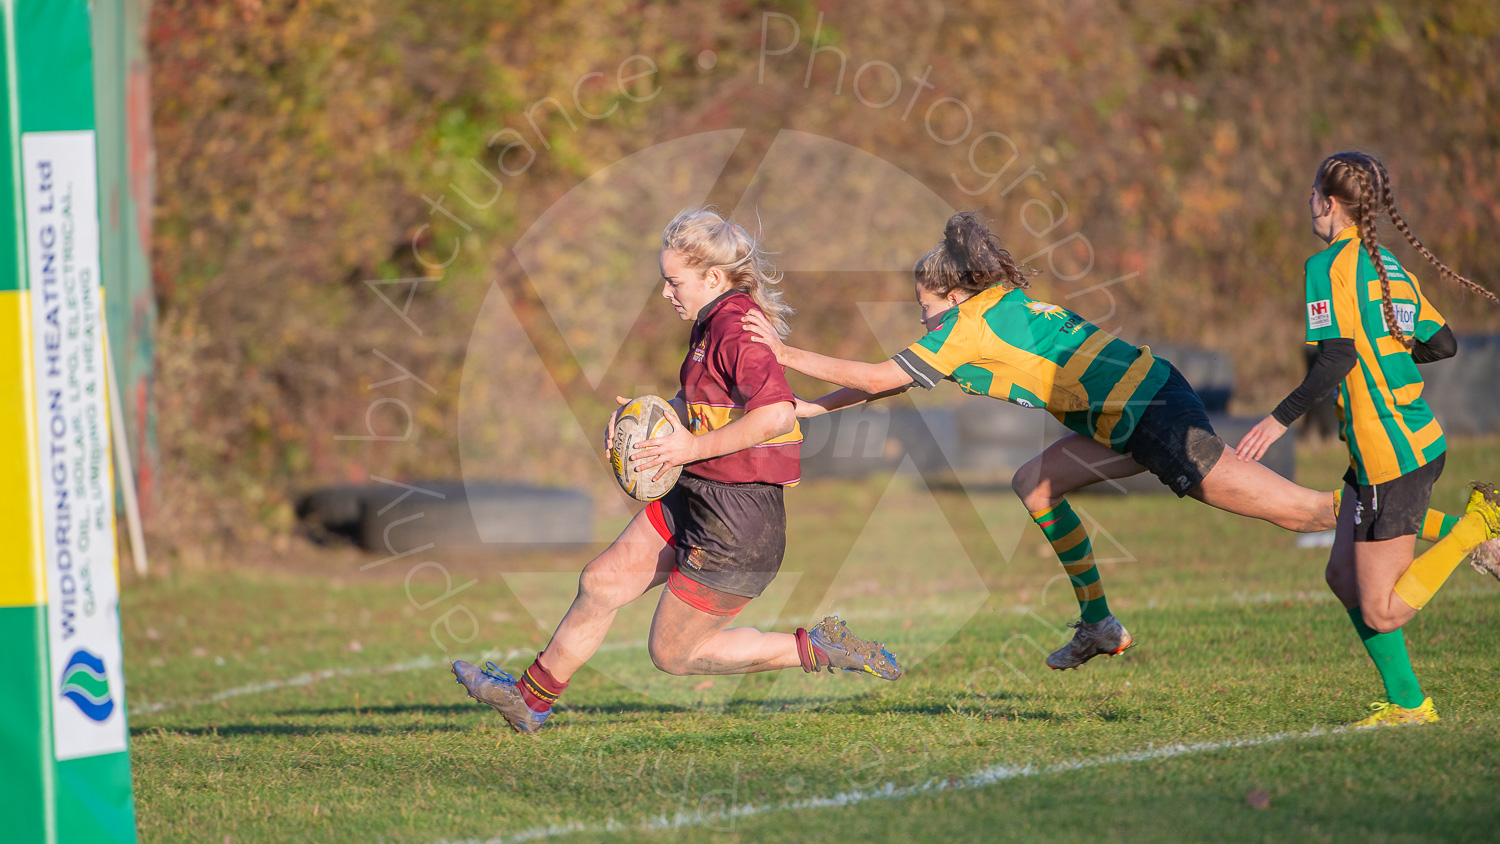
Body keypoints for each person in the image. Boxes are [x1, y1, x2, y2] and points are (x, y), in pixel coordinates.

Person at [741, 211, 1463, 672]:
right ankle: (1098, 623)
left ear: (954, 299)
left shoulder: (965, 330)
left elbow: (876, 374)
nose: (926, 328)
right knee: (1037, 482)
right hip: (1141, 400)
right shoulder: (997, 304)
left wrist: (786, 352)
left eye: (928, 315)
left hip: (1149, 414)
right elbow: (883, 381)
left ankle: (1467, 533)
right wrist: (813, 410)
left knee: (1302, 512)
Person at [451, 208, 901, 734]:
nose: (666, 293)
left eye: (673, 281)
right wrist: (639, 422)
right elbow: (709, 403)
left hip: (738, 522)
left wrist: (686, 448)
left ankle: (819, 648)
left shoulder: (737, 330)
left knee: (674, 655)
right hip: (698, 494)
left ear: (712, 277)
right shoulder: (711, 324)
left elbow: (775, 414)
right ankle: (530, 701)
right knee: (600, 582)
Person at [1235, 151, 1500, 727]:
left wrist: (1277, 420)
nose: (1308, 202)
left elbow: (1337, 356)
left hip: (1391, 453)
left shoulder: (1328, 265)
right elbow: (1442, 343)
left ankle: (1475, 528)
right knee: (1341, 577)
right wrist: (1391, 348)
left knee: (1381, 611)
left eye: (1311, 193)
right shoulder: (1389, 267)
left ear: (1328, 203)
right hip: (1399, 440)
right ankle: (1407, 703)